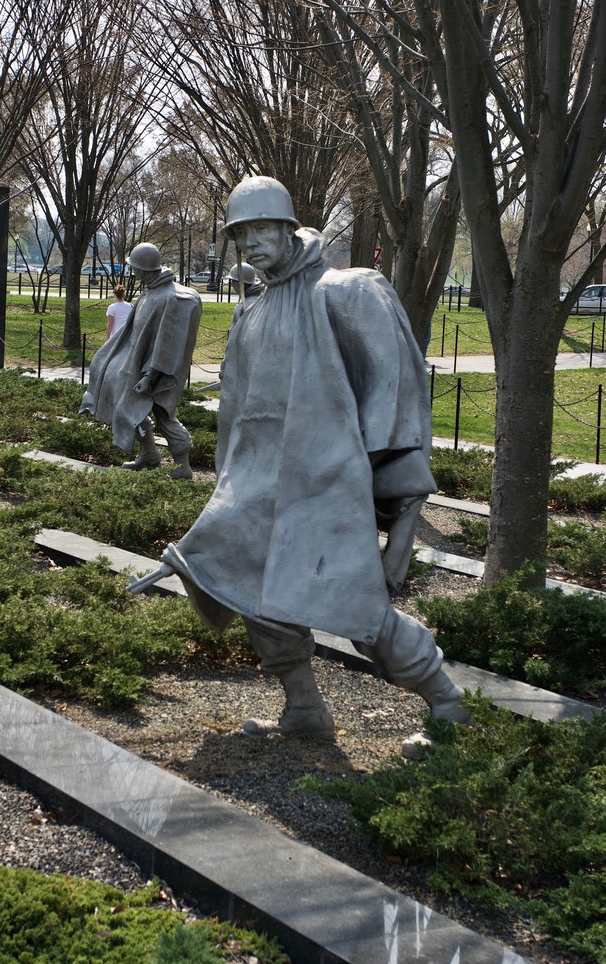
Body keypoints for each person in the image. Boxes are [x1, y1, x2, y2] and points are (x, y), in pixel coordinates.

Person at [140, 177, 469, 757]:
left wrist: (401, 517)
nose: (253, 244)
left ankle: (447, 702)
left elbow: (393, 401)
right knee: (250, 591)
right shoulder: (252, 313)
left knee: (355, 606)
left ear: (290, 227)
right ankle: (305, 708)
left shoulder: (348, 290)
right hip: (259, 486)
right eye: (242, 234)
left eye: (263, 229)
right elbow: (239, 413)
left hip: (328, 485)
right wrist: (226, 492)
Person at [79, 243, 202, 480]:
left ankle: (183, 465)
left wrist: (150, 376)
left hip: (158, 372)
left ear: (144, 270)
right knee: (128, 408)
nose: (133, 272)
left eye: (135, 268)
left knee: (163, 414)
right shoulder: (151, 291)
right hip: (136, 366)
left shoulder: (171, 297)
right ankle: (149, 453)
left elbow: (168, 343)